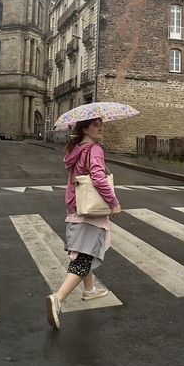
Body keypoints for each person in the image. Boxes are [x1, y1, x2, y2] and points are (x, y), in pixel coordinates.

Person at [46, 118, 121, 330]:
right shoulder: (94, 149)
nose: (101, 128)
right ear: (85, 128)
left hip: (75, 206)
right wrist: (114, 203)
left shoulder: (76, 149)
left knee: (83, 251)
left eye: (101, 124)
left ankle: (90, 290)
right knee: (84, 256)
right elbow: (98, 178)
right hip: (90, 210)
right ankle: (58, 299)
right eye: (96, 125)